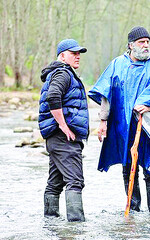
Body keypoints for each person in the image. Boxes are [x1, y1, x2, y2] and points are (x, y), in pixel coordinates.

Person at [89, 26, 150, 213]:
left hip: (149, 125)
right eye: (142, 42)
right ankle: (133, 210)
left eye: (148, 42)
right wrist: (103, 121)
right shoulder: (117, 64)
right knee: (128, 166)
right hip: (123, 125)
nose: (146, 45)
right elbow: (106, 95)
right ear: (131, 45)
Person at [38, 39, 89, 222]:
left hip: (55, 139)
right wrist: (63, 125)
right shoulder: (63, 73)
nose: (77, 56)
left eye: (79, 54)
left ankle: (50, 224)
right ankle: (76, 227)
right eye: (73, 53)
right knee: (75, 181)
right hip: (63, 137)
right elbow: (53, 96)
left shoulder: (59, 73)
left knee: (55, 183)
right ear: (62, 56)